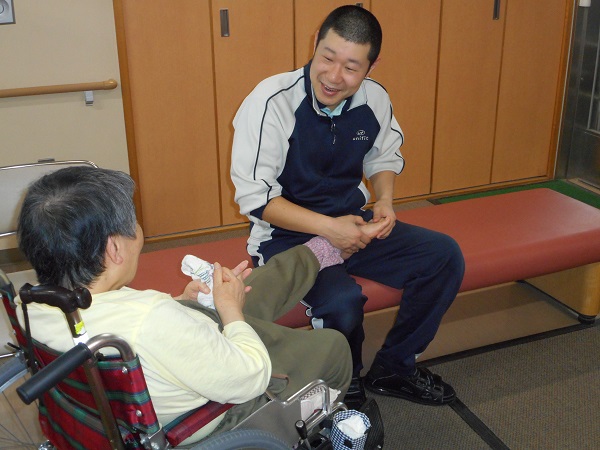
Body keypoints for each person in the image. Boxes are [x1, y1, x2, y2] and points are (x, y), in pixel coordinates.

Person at [231, 5, 465, 408]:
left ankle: (395, 367)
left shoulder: (374, 98)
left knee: (443, 256)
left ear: (371, 67)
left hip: (354, 223)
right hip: (288, 236)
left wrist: (386, 202)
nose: (335, 77)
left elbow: (383, 157)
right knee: (341, 304)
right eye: (327, 58)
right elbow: (256, 198)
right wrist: (328, 229)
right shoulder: (272, 101)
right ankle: (346, 389)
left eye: (352, 67)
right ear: (316, 42)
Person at [15, 166, 352, 445]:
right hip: (217, 411)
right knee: (332, 346)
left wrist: (184, 303)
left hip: (158, 367)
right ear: (114, 249)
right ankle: (332, 427)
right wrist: (230, 311)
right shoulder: (151, 319)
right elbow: (250, 377)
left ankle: (317, 253)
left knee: (242, 288)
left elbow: (142, 325)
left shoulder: (27, 304)